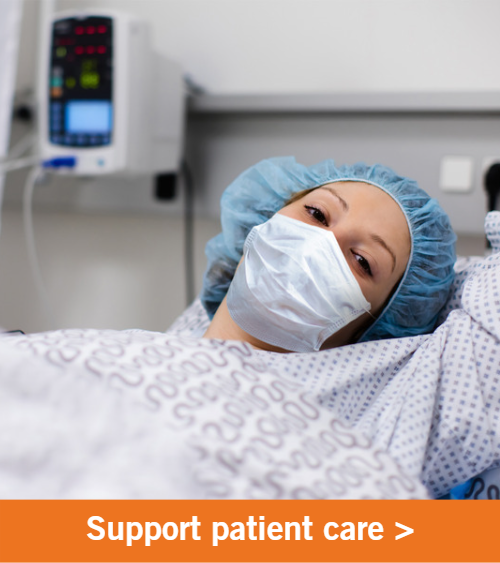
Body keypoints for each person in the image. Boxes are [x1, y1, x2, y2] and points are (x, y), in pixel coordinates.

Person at [202, 157, 456, 353]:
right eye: (317, 213)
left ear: (370, 331)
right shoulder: (162, 354)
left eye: (362, 261)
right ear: (270, 213)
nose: (316, 245)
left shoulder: (304, 421)